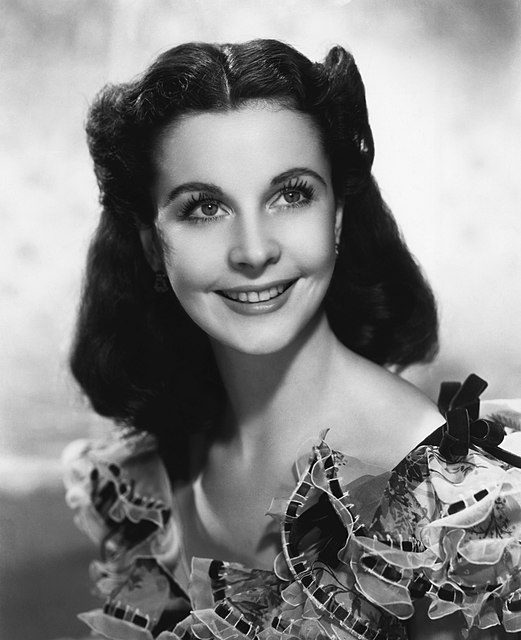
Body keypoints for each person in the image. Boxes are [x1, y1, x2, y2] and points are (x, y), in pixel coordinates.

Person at [62, 39, 521, 640]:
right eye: (204, 207)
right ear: (152, 243)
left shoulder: (454, 513)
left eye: (291, 195)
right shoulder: (144, 477)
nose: (254, 251)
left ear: (337, 217)